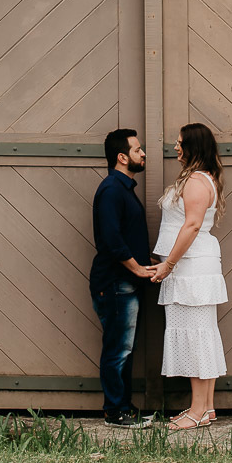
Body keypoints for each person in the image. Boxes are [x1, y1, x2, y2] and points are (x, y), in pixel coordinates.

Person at [150, 122, 227, 430]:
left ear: (194, 146)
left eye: (180, 143)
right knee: (201, 334)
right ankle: (206, 408)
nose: (176, 147)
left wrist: (168, 264)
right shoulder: (202, 178)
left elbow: (192, 226)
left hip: (190, 267)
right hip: (194, 265)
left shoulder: (196, 181)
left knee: (196, 336)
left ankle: (196, 411)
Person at [90, 128, 154, 427]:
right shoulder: (111, 190)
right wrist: (137, 269)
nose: (143, 154)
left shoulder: (124, 189)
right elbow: (111, 240)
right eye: (138, 149)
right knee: (118, 349)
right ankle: (115, 412)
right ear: (122, 157)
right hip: (116, 283)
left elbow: (126, 236)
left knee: (125, 348)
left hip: (126, 283)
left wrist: (150, 262)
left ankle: (124, 408)